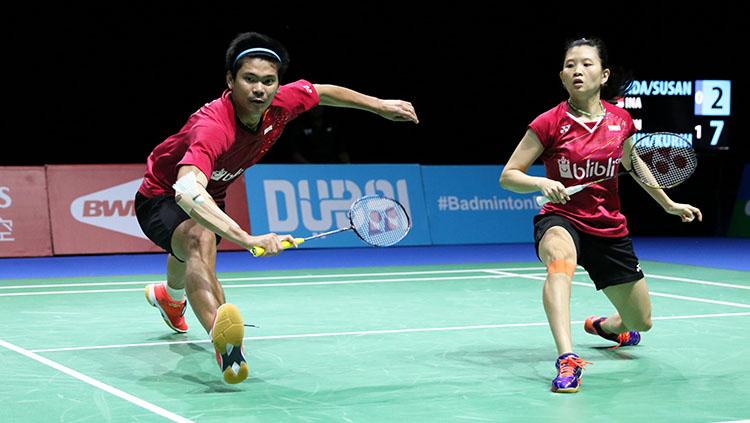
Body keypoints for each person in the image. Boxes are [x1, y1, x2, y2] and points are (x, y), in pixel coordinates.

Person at [134, 32, 418, 384]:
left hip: (213, 191)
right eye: (249, 79)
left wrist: (379, 105)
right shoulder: (213, 126)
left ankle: (171, 298)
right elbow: (187, 190)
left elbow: (321, 91)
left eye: (268, 81)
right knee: (198, 237)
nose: (259, 89)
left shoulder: (281, 103)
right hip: (160, 195)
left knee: (190, 251)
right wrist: (246, 237)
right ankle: (225, 344)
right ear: (230, 80)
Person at [499, 37, 701, 393]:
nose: (577, 70)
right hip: (561, 218)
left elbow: (635, 166)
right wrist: (540, 182)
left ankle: (609, 327)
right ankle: (567, 358)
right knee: (559, 263)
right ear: (562, 76)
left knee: (643, 321)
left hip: (608, 227)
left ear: (604, 74)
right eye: (570, 65)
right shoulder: (549, 123)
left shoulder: (620, 120)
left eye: (586, 63)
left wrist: (668, 204)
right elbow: (509, 176)